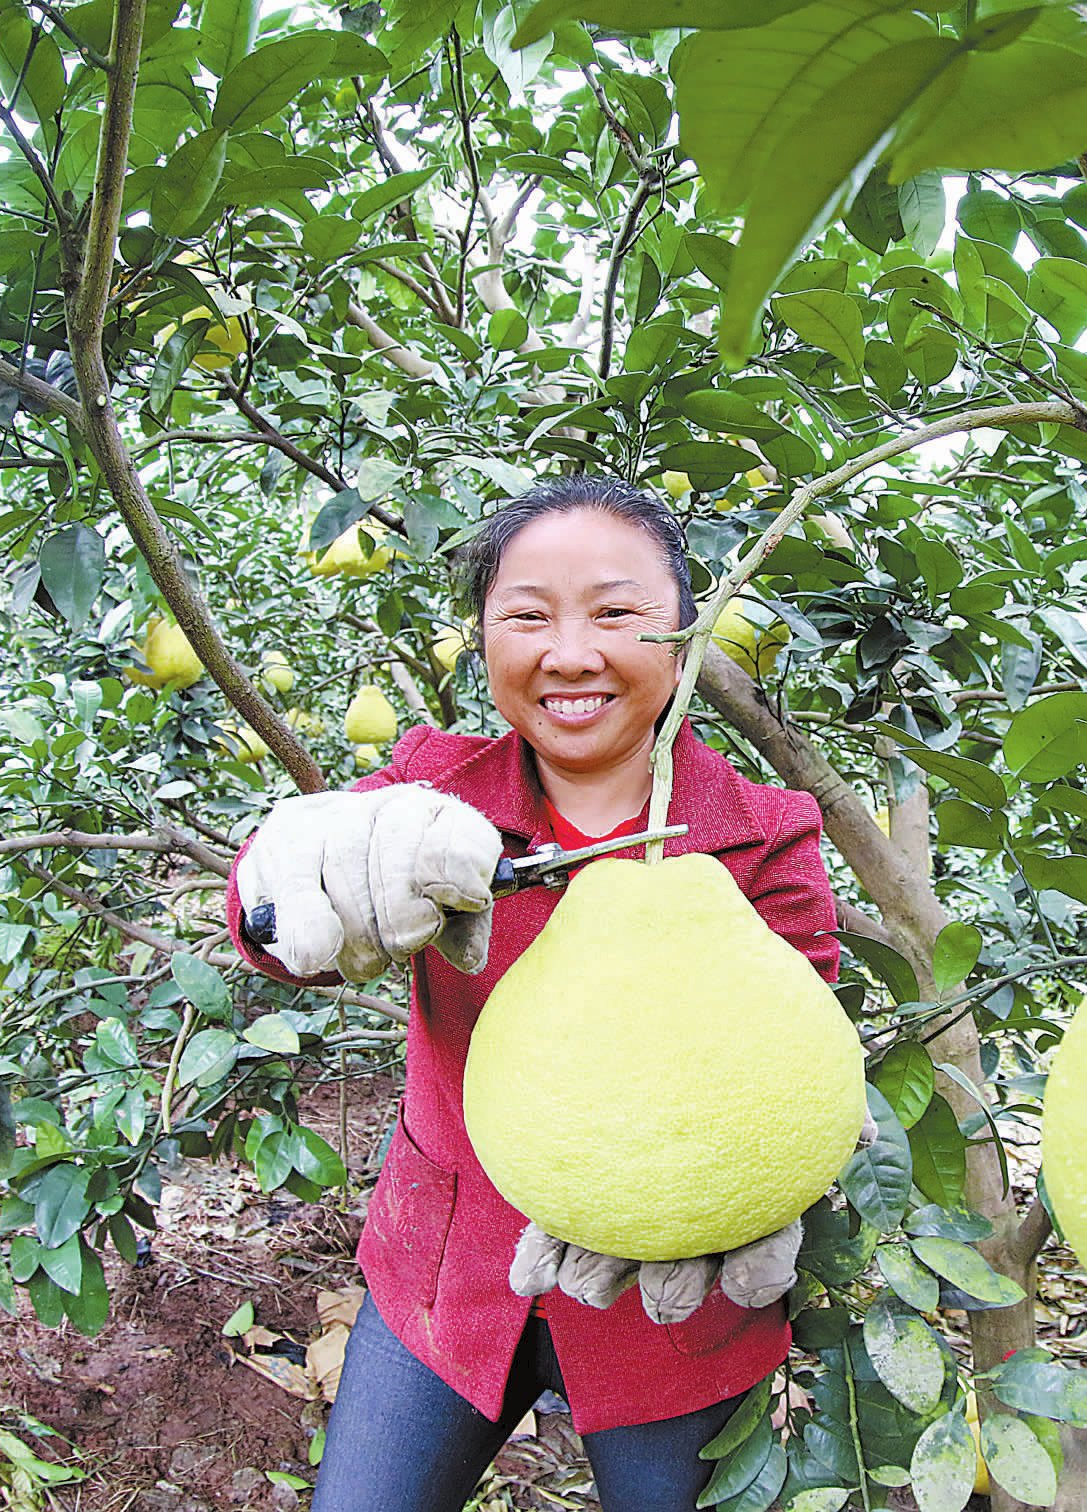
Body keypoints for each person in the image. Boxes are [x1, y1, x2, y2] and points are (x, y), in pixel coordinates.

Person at [224, 476, 843, 1511]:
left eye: (616, 613)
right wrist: (280, 874)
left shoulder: (764, 830)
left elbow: (802, 1036)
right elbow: (288, 929)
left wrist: (781, 1172)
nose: (569, 654)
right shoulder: (431, 795)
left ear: (685, 634)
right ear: (481, 639)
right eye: (525, 616)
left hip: (666, 1288)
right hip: (444, 1273)